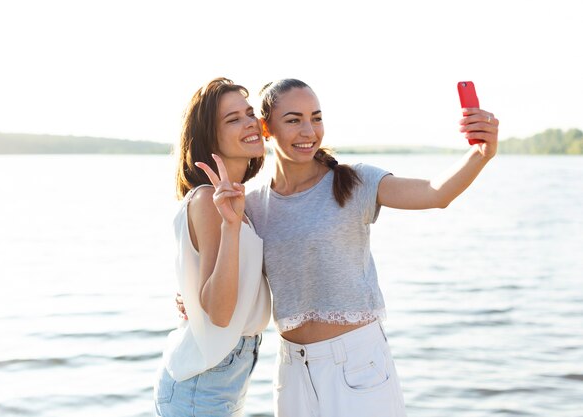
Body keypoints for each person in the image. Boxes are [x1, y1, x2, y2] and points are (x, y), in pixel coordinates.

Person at [246, 78, 499, 417]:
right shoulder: (254, 206)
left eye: (316, 118)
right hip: (291, 371)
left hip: (357, 364)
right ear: (266, 127)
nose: (309, 131)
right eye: (293, 120)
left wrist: (480, 155)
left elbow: (436, 193)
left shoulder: (352, 181)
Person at [154, 77, 271, 417]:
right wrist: (231, 227)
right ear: (209, 137)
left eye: (250, 114)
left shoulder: (238, 203)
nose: (250, 122)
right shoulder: (208, 201)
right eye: (233, 119)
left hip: (224, 377)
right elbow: (218, 314)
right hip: (201, 385)